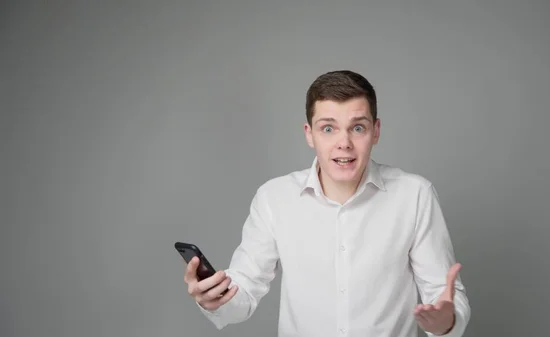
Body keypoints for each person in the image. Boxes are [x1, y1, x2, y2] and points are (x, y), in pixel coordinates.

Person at [183, 70, 471, 337]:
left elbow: (444, 297)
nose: (343, 143)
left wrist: (446, 321)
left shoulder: (415, 195)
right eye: (328, 129)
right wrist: (215, 300)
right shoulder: (274, 198)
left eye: (357, 128)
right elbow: (243, 293)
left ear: (376, 131)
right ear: (309, 134)